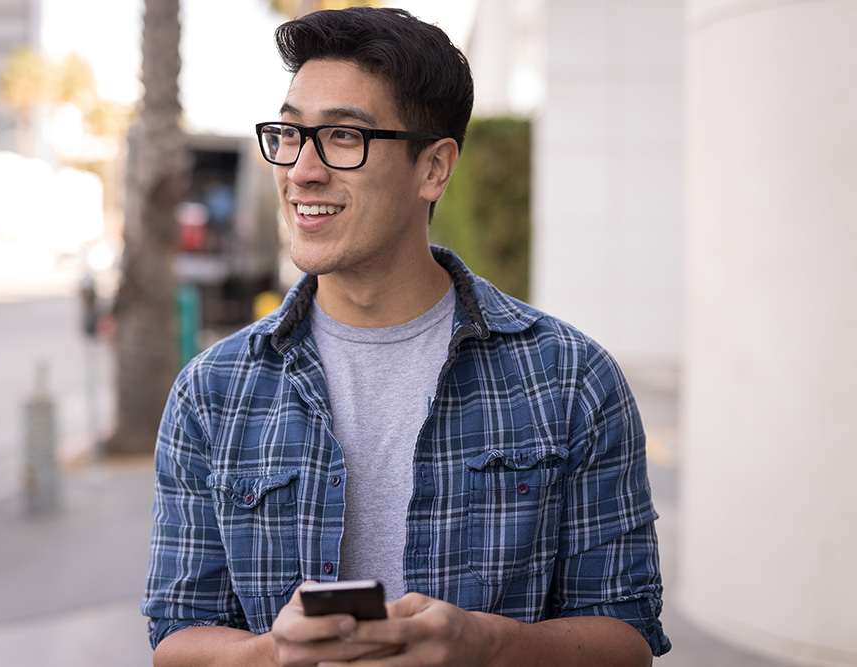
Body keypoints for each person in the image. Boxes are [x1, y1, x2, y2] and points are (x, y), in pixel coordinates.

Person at [142, 6, 671, 665]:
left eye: (341, 136)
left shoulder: (571, 378)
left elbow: (626, 638)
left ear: (435, 168)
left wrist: (490, 643)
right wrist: (271, 654)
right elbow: (175, 634)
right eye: (289, 133)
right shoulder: (213, 390)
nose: (301, 170)